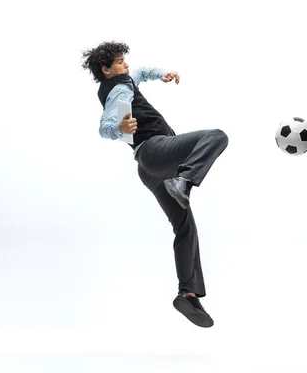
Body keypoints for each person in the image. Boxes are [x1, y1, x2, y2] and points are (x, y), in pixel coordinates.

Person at [80, 41, 228, 328]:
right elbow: (104, 126)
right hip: (155, 152)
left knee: (184, 226)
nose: (126, 65)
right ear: (106, 69)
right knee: (216, 136)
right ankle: (185, 180)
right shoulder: (118, 90)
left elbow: (142, 71)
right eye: (120, 62)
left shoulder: (124, 78)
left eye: (125, 60)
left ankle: (188, 293)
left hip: (149, 167)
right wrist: (118, 128)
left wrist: (163, 73)